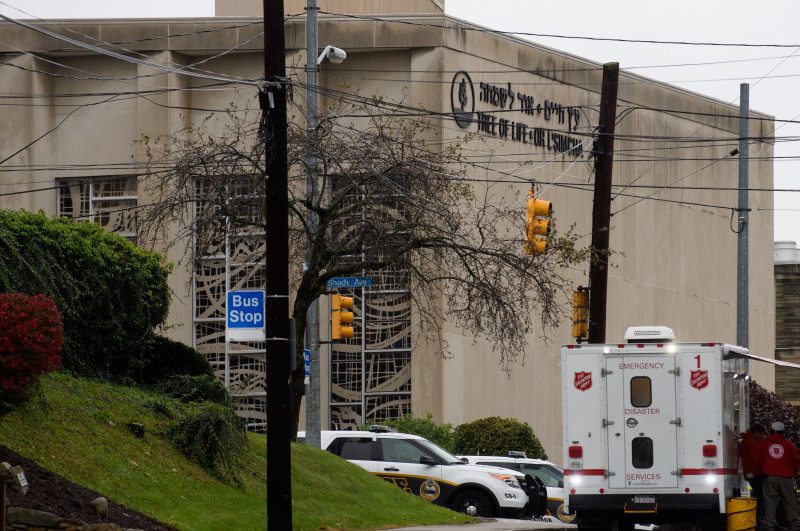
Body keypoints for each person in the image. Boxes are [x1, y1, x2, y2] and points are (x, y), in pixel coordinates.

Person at [755, 421, 800, 531]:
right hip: (786, 478)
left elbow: (757, 462)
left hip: (769, 478)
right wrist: (792, 473)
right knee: (790, 503)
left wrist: (759, 475)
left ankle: (768, 526)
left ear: (770, 431)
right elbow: (796, 462)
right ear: (783, 432)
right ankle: (795, 525)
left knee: (770, 503)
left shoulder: (763, 445)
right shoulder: (789, 445)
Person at [741, 423, 767, 527]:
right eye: (761, 434)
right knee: (759, 497)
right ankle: (756, 520)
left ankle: (756, 520)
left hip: (751, 473)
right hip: (755, 474)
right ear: (756, 432)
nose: (762, 437)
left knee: (758, 496)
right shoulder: (751, 442)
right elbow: (757, 458)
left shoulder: (748, 440)